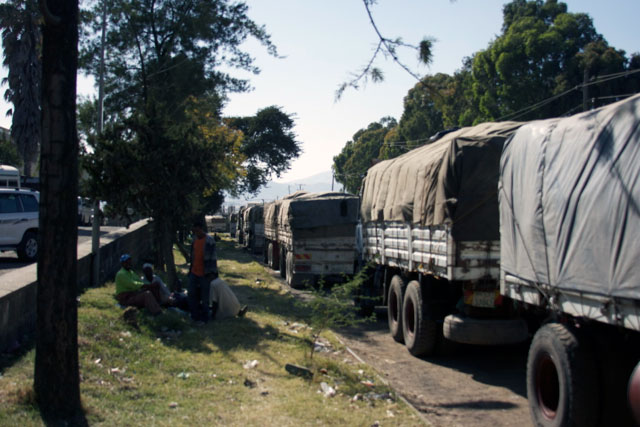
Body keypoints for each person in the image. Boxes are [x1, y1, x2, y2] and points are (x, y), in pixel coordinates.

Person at [188, 219, 218, 322]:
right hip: (194, 272)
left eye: (197, 231)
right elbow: (192, 256)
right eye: (194, 231)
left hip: (205, 273)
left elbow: (213, 258)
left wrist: (213, 273)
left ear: (201, 229)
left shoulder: (209, 240)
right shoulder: (194, 240)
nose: (196, 233)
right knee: (191, 294)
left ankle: (206, 318)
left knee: (205, 297)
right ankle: (194, 315)